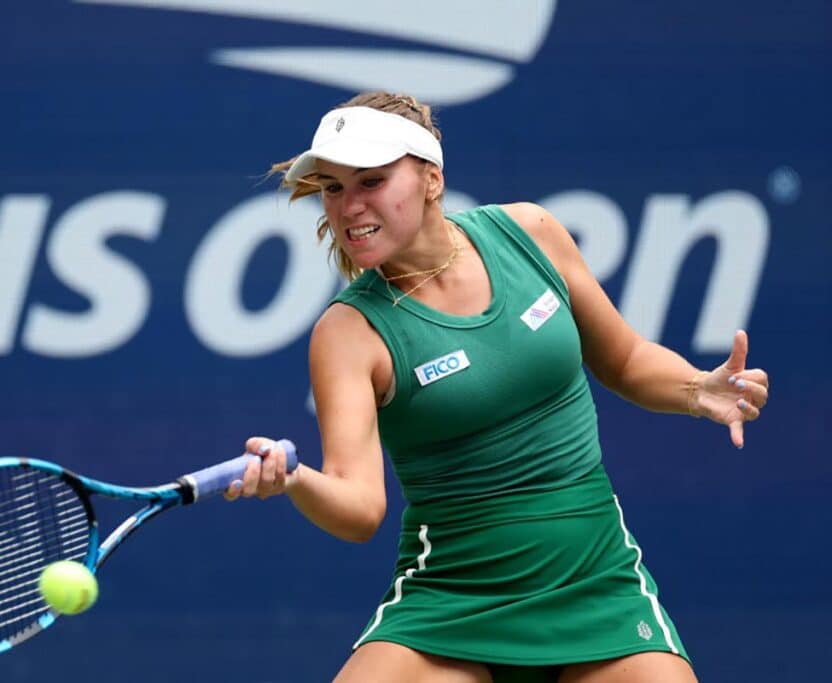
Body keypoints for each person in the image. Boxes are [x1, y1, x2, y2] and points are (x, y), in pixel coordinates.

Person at [224, 91, 769, 683]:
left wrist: (697, 388)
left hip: (596, 580)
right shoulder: (349, 332)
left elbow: (628, 358)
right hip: (451, 603)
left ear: (431, 178)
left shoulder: (531, 232)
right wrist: (296, 479)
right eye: (332, 187)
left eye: (371, 181)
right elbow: (360, 509)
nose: (349, 206)